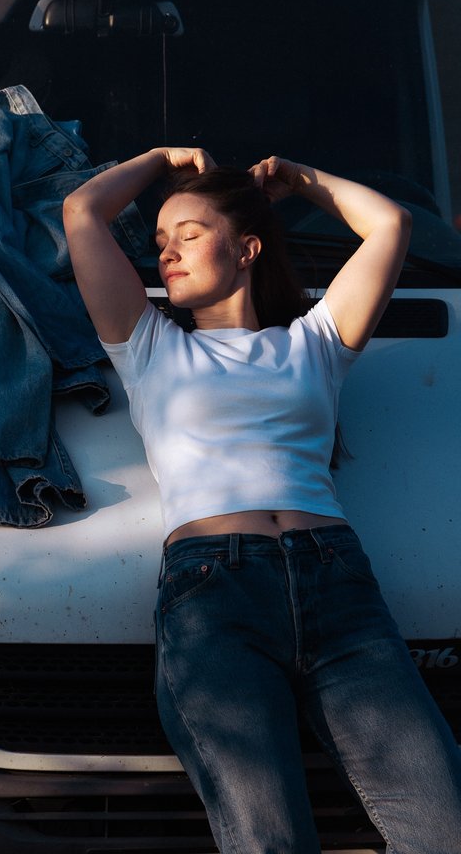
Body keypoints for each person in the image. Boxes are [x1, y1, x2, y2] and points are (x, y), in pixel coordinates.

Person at [63, 148, 461, 854]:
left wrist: (301, 179)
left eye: (189, 235)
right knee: (267, 839)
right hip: (214, 595)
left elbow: (390, 225)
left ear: (247, 249)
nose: (167, 254)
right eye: (160, 241)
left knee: (443, 825)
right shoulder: (148, 347)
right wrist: (158, 159)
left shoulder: (315, 342)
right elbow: (82, 211)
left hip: (337, 585)